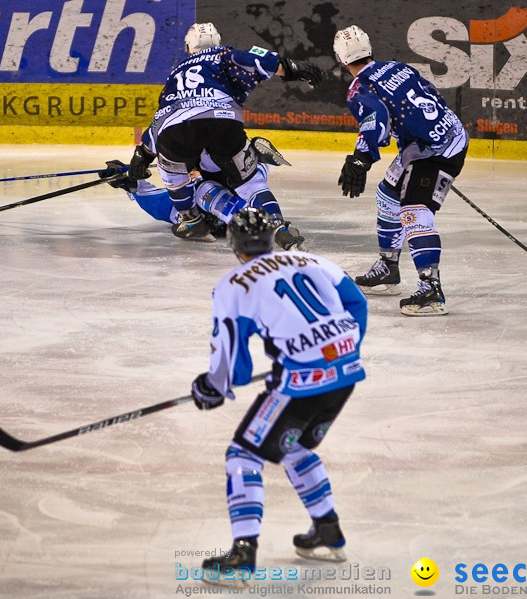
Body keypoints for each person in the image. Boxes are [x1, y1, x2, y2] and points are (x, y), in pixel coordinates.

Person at [189, 207, 368, 582]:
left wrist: (211, 387)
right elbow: (357, 303)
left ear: (234, 244)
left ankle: (243, 555)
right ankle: (328, 530)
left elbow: (232, 367)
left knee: (242, 454)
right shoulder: (310, 259)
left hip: (302, 383)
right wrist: (338, 351)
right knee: (294, 447)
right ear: (270, 241)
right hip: (346, 371)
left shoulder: (233, 285)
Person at [127, 22, 323, 249]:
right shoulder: (223, 54)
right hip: (222, 121)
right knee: (251, 183)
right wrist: (291, 68)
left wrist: (142, 154)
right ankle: (279, 228)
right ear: (217, 41)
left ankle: (191, 220)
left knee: (173, 172)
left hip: (176, 129)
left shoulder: (175, 73)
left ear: (189, 47)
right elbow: (255, 59)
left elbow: (161, 119)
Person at [334, 25, 469, 316]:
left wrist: (361, 159)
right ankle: (388, 267)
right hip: (439, 138)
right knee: (388, 195)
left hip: (435, 150)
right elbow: (429, 95)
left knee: (414, 210)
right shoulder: (397, 67)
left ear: (341, 60)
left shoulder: (360, 89)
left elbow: (376, 122)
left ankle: (431, 290)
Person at [99, 135, 307, 250]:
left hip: (226, 190)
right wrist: (130, 181)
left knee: (205, 188)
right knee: (207, 189)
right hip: (227, 201)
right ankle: (255, 165)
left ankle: (254, 168)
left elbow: (153, 200)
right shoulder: (183, 200)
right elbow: (155, 202)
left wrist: (132, 181)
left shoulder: (182, 190)